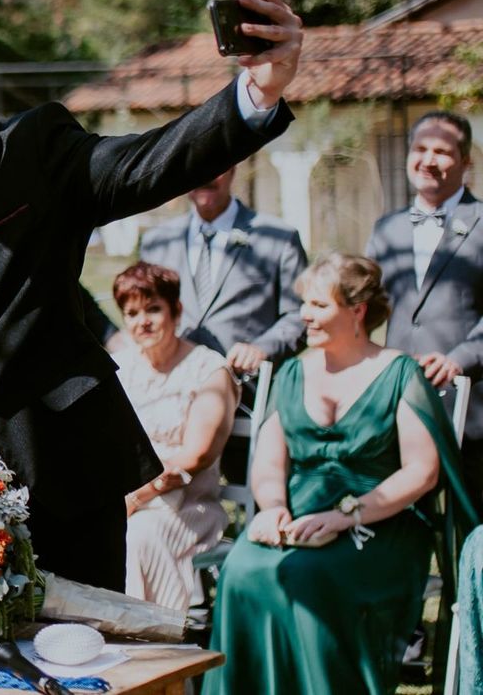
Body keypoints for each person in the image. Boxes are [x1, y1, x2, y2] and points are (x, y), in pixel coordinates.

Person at [0, 0, 302, 590]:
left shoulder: (30, 150)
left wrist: (257, 93)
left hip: (67, 484)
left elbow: (145, 164)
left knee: (85, 676)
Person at [206, 253, 479, 694]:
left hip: (381, 523)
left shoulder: (399, 373)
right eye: (305, 305)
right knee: (241, 568)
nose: (305, 316)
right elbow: (271, 461)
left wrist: (346, 515)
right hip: (298, 516)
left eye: (319, 306)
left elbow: (421, 473)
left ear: (357, 311)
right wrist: (273, 507)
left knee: (306, 576)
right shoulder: (293, 372)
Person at [367, 110, 483, 495]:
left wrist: (460, 358)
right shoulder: (387, 228)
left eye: (442, 151)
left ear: (466, 161)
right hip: (400, 400)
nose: (428, 160)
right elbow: (365, 308)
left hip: (471, 405)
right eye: (420, 148)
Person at [111, 262, 236, 611]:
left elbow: (196, 457)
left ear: (176, 310)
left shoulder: (209, 370)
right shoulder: (120, 367)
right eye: (132, 313)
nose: (143, 321)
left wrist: (135, 498)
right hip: (127, 499)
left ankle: (151, 642)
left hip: (189, 505)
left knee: (139, 535)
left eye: (153, 309)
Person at [137, 166, 307, 376]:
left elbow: (299, 315)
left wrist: (263, 348)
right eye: (195, 167)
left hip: (245, 391)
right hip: (170, 385)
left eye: (215, 165)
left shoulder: (280, 239)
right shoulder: (156, 243)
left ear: (233, 168)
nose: (204, 177)